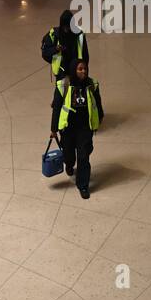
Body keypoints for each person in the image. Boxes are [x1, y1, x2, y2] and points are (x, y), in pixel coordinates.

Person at [51, 58, 103, 199]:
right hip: (68, 128)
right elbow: (56, 107)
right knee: (68, 153)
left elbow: (98, 104)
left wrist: (99, 120)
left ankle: (83, 185)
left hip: (85, 127)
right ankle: (69, 164)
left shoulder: (92, 84)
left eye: (85, 69)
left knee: (83, 155)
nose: (83, 71)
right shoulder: (63, 85)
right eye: (80, 69)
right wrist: (53, 129)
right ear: (74, 70)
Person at [43, 7, 89, 82]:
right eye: (65, 27)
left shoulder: (79, 35)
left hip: (77, 73)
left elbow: (85, 56)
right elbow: (45, 53)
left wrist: (84, 73)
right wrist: (56, 49)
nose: (67, 29)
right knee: (61, 93)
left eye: (69, 27)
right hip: (62, 74)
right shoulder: (54, 34)